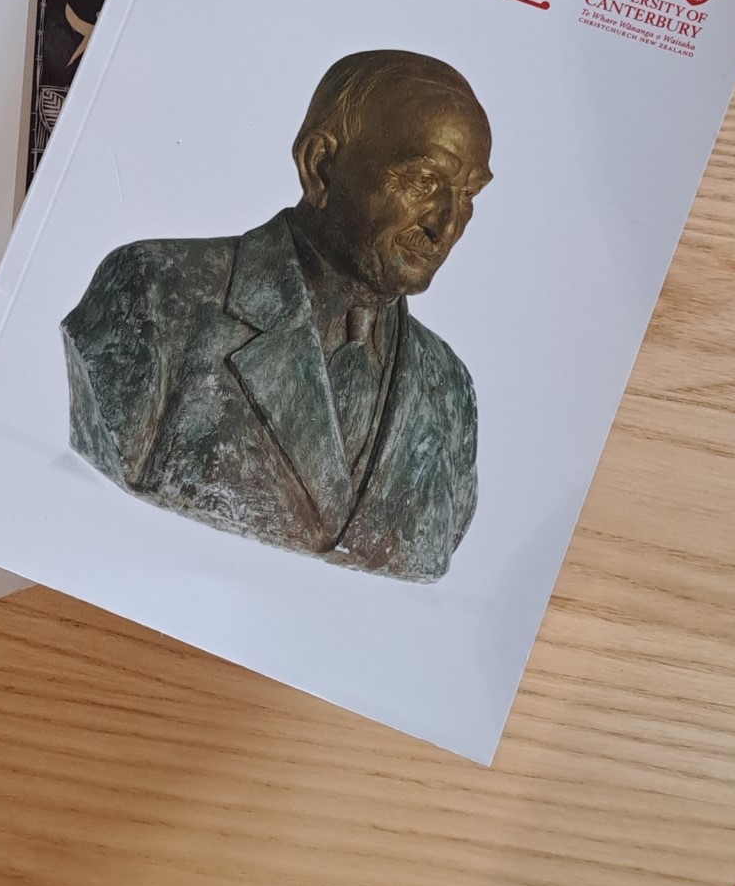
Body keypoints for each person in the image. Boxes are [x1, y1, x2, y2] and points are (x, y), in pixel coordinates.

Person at [61, 48, 489, 581]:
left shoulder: (450, 390)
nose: (446, 225)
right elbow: (83, 513)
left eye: (468, 194)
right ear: (319, 165)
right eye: (424, 181)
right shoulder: (155, 294)